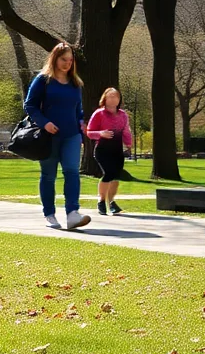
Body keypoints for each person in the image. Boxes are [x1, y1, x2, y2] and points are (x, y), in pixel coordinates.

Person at [24, 42, 90, 229]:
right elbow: (30, 105)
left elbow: (78, 109)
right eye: (63, 59)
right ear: (55, 58)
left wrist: (81, 122)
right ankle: (50, 214)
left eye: (70, 60)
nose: (67, 63)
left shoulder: (76, 83)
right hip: (48, 136)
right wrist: (45, 123)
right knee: (49, 175)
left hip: (71, 136)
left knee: (72, 171)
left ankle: (72, 214)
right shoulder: (43, 80)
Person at [87, 87, 133, 216]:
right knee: (108, 173)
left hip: (117, 150)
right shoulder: (99, 113)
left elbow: (126, 131)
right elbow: (89, 132)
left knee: (116, 176)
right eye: (110, 96)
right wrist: (101, 133)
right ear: (105, 99)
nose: (113, 99)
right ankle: (101, 201)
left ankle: (112, 202)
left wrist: (129, 144)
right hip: (102, 150)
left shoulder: (123, 114)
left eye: (116, 96)